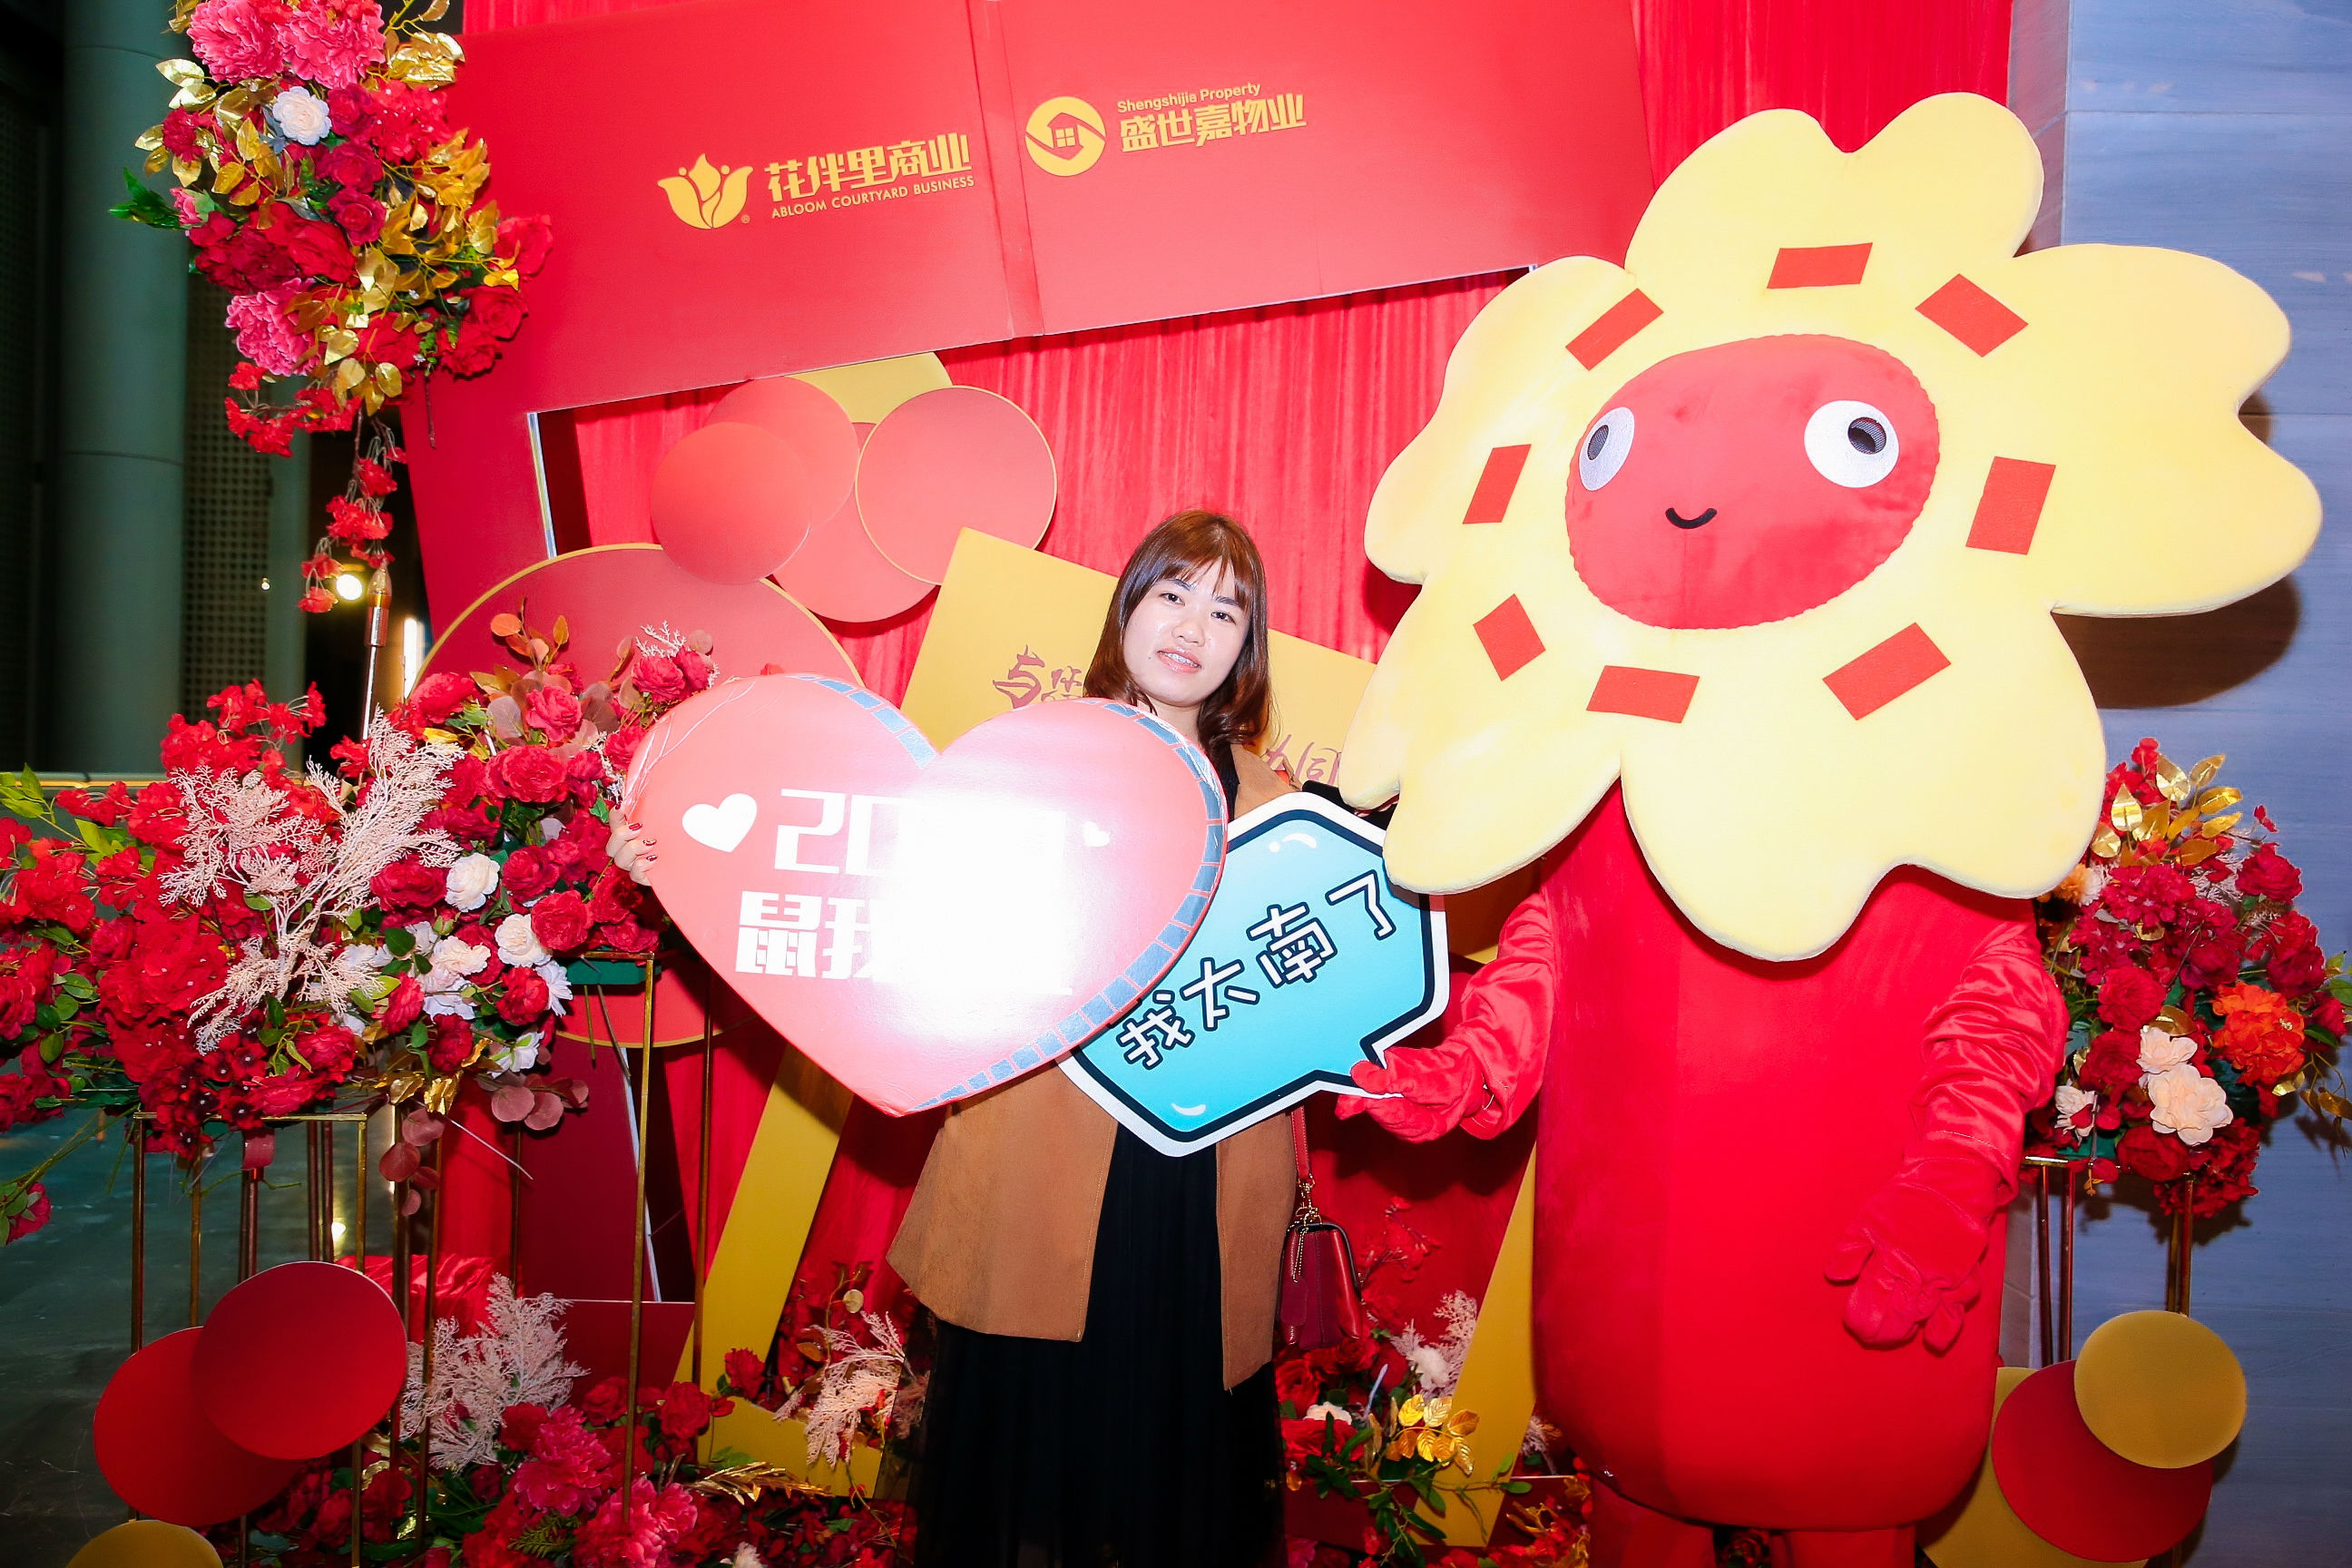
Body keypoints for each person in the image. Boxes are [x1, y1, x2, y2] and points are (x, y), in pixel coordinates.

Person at [886, 510, 1296, 1567]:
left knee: (1173, 1442)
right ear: (1128, 609)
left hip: (1199, 1161)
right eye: (1173, 595)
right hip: (1048, 1140)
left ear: (1246, 646)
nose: (1192, 628)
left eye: (1225, 611)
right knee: (1032, 1445)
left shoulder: (1277, 801)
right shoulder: (1040, 754)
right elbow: (915, 903)